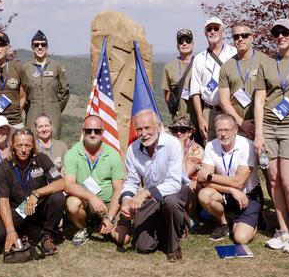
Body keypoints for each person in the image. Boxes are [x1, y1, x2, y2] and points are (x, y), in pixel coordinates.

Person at [253, 18, 289, 255]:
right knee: (274, 180)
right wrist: (258, 133)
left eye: (285, 32)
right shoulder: (267, 63)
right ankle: (283, 230)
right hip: (269, 126)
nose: (281, 36)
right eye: (276, 32)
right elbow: (258, 100)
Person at [118, 109, 189, 261]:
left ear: (158, 126)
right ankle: (168, 227)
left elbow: (174, 183)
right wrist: (126, 201)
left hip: (175, 191)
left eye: (147, 128)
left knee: (170, 202)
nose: (143, 133)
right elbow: (131, 181)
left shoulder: (173, 144)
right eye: (139, 129)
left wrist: (144, 193)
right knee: (142, 247)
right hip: (153, 197)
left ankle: (173, 245)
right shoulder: (133, 149)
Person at [0, 128, 66, 256]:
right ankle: (25, 231)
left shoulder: (42, 159)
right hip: (21, 209)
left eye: (28, 145)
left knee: (58, 197)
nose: (24, 150)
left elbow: (61, 183)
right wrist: (10, 231)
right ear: (13, 145)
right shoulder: (4, 167)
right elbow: (3, 201)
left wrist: (36, 194)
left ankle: (47, 236)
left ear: (33, 146)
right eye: (20, 145)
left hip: (38, 205)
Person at [196, 114, 262, 245]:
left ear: (236, 129)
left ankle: (256, 218)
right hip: (227, 193)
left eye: (227, 130)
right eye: (219, 130)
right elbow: (203, 181)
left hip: (247, 195)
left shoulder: (247, 146)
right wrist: (231, 190)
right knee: (204, 194)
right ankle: (224, 224)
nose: (223, 134)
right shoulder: (211, 145)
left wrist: (211, 176)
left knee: (240, 238)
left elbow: (238, 182)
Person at [62, 114, 125, 246]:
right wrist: (91, 197)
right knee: (72, 203)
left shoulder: (113, 154)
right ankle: (85, 228)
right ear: (82, 132)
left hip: (109, 205)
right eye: (88, 130)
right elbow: (69, 185)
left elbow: (118, 189)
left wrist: (110, 217)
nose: (92, 134)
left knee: (122, 239)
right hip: (86, 203)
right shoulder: (73, 153)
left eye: (96, 131)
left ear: (102, 132)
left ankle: (105, 224)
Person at [189, 17, 236, 141]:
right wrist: (200, 118)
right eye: (209, 29)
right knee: (211, 150)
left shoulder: (234, 54)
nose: (213, 31)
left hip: (232, 111)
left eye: (216, 28)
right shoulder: (199, 59)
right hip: (209, 112)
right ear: (205, 33)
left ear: (223, 32)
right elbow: (195, 91)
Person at [218, 22, 267, 139]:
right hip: (237, 126)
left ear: (252, 37)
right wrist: (242, 123)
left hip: (263, 125)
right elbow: (224, 101)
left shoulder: (266, 61)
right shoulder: (226, 66)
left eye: (244, 35)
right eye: (236, 36)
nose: (240, 39)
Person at [23, 30, 70, 139]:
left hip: (53, 111)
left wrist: (56, 108)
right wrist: (28, 108)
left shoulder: (56, 67)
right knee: (32, 142)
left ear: (47, 46)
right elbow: (21, 93)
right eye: (36, 44)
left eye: (43, 44)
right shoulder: (25, 68)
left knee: (53, 143)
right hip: (32, 111)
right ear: (32, 47)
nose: (40, 47)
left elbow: (65, 91)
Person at [162, 28, 195, 121]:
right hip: (179, 119)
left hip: (198, 119)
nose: (184, 43)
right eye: (181, 41)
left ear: (193, 44)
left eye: (188, 40)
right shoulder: (168, 67)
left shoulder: (200, 63)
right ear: (177, 45)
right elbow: (167, 94)